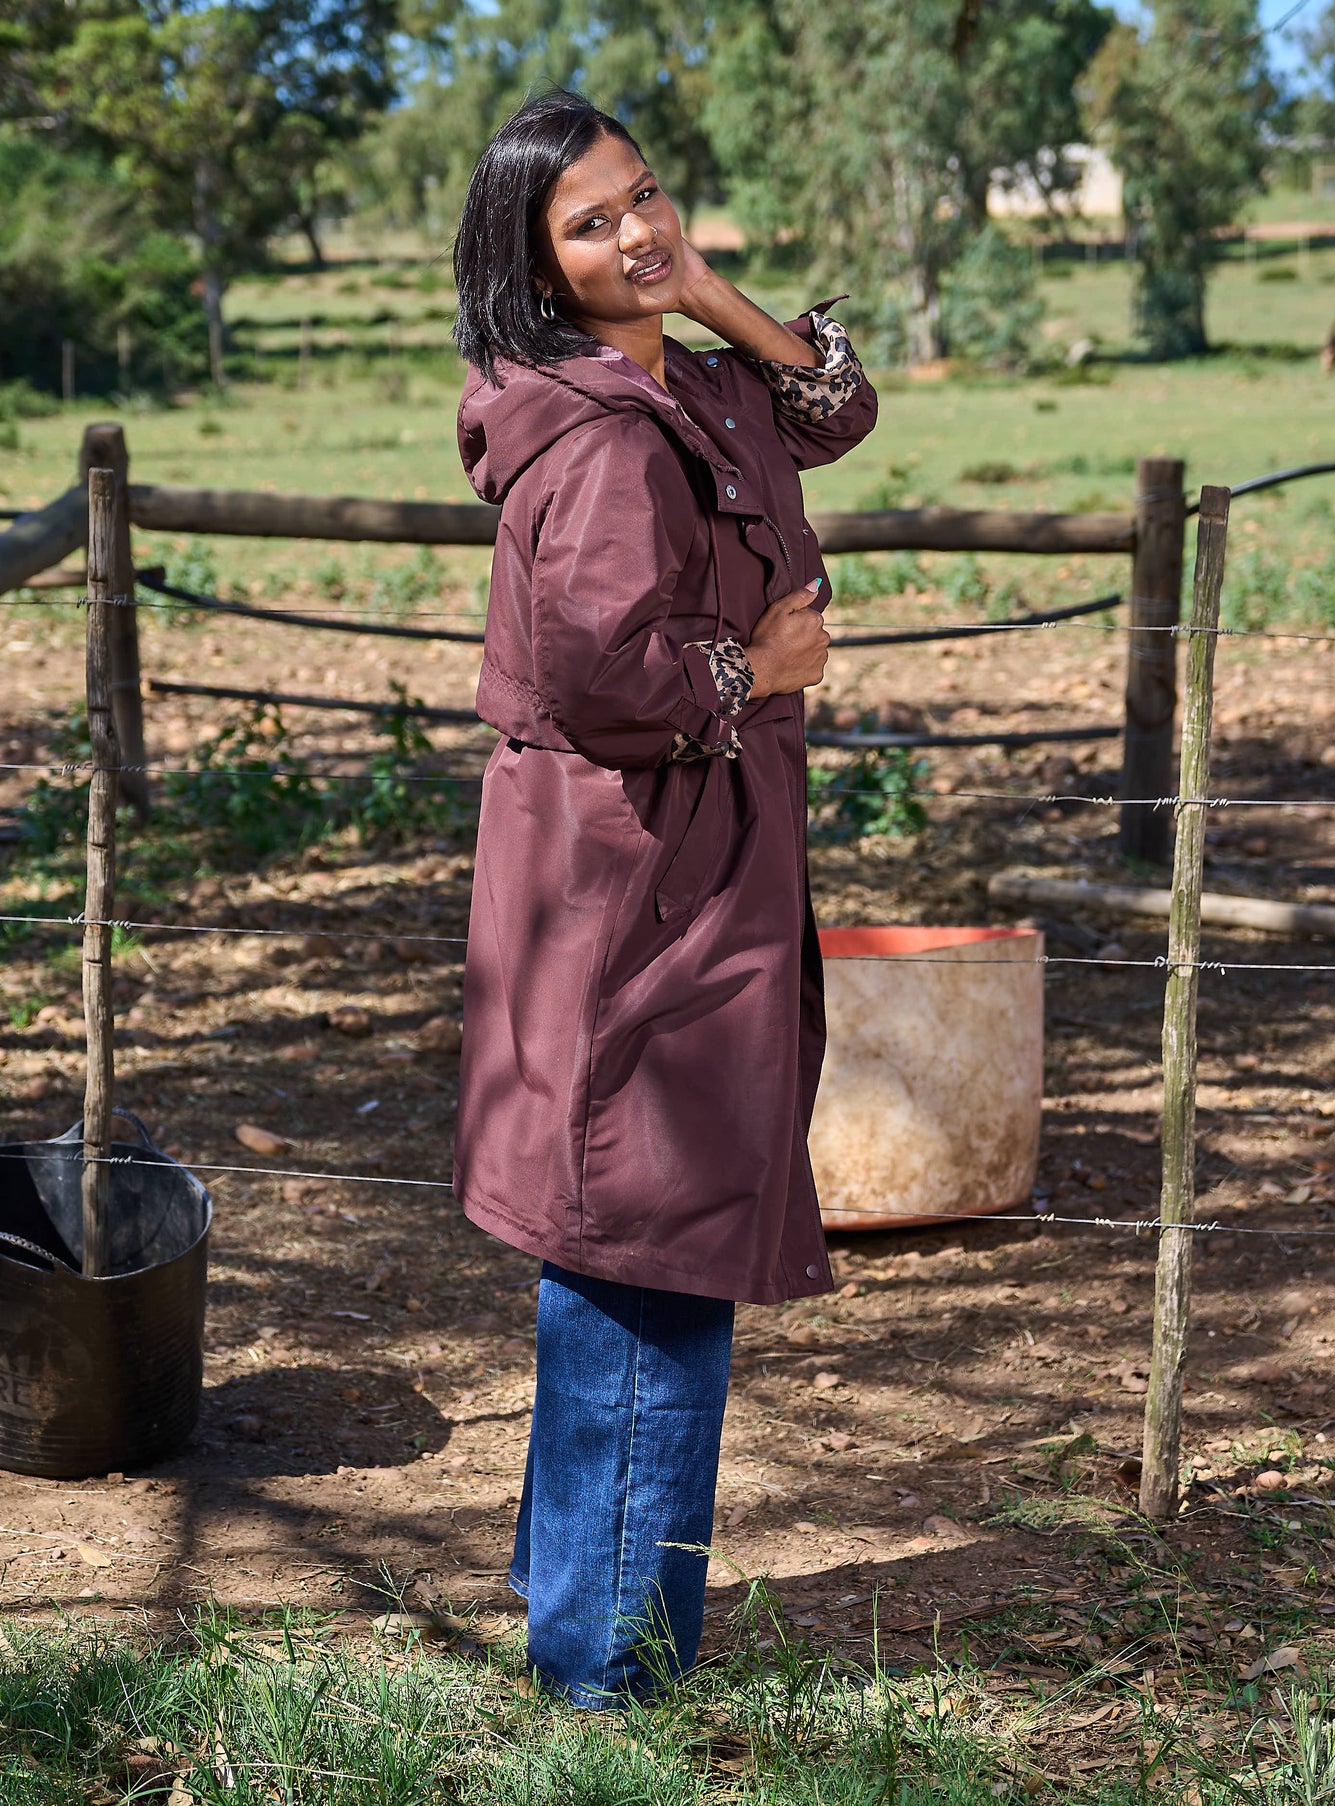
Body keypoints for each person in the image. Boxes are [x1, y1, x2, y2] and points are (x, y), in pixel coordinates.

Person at [450, 88, 877, 1709]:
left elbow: (830, 411)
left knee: (631, 1233)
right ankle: (605, 1682)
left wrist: (704, 294)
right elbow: (603, 671)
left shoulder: (684, 379)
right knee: (644, 1242)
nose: (635, 229)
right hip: (641, 874)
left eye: (644, 197)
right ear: (533, 265)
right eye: (591, 223)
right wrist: (752, 664)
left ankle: (579, 1606)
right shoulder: (605, 439)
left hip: (682, 851)